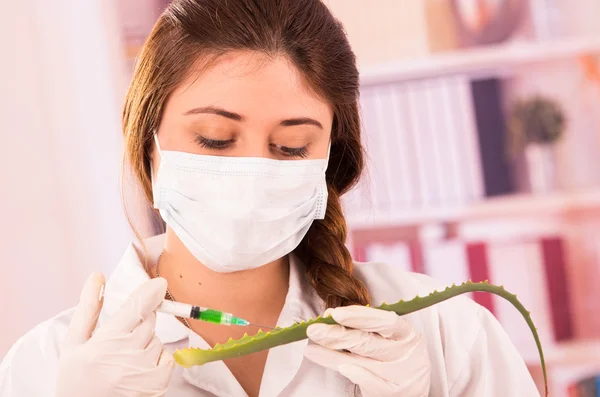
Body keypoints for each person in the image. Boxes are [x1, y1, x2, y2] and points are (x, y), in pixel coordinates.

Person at [0, 0, 542, 396]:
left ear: (331, 156)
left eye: (290, 146)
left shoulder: (442, 334)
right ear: (148, 143)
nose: (250, 172)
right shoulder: (49, 367)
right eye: (214, 138)